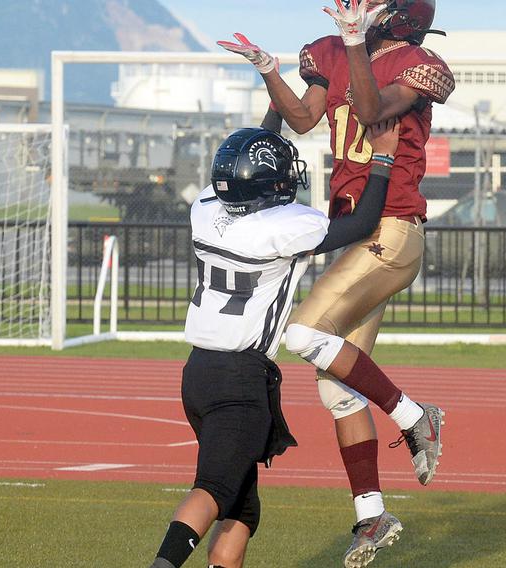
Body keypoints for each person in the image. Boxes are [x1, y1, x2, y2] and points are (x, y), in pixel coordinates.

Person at [218, 1, 454, 565]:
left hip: (393, 230)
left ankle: (416, 416)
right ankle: (372, 515)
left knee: (300, 332)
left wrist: (353, 43)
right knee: (334, 386)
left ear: (397, 13)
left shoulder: (419, 62)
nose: (354, 7)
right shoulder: (328, 53)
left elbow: (373, 113)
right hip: (359, 235)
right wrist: (268, 69)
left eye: (368, 3)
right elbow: (301, 120)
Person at [150, 121, 432, 568]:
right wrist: (381, 158)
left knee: (242, 511)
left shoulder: (205, 208)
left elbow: (244, 164)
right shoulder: (285, 226)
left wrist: (268, 94)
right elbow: (362, 222)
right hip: (239, 380)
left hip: (197, 376)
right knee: (214, 490)